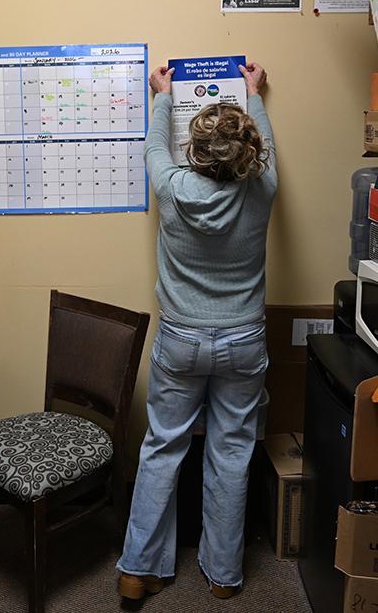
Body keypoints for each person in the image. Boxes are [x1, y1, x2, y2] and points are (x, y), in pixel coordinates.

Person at [116, 61, 276, 602]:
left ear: (197, 150)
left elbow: (152, 148)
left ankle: (139, 570)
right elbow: (268, 147)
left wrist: (162, 95)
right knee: (232, 451)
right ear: (249, 153)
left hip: (181, 341)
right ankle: (224, 578)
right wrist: (253, 93)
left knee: (162, 447)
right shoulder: (264, 189)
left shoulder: (172, 187)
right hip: (243, 341)